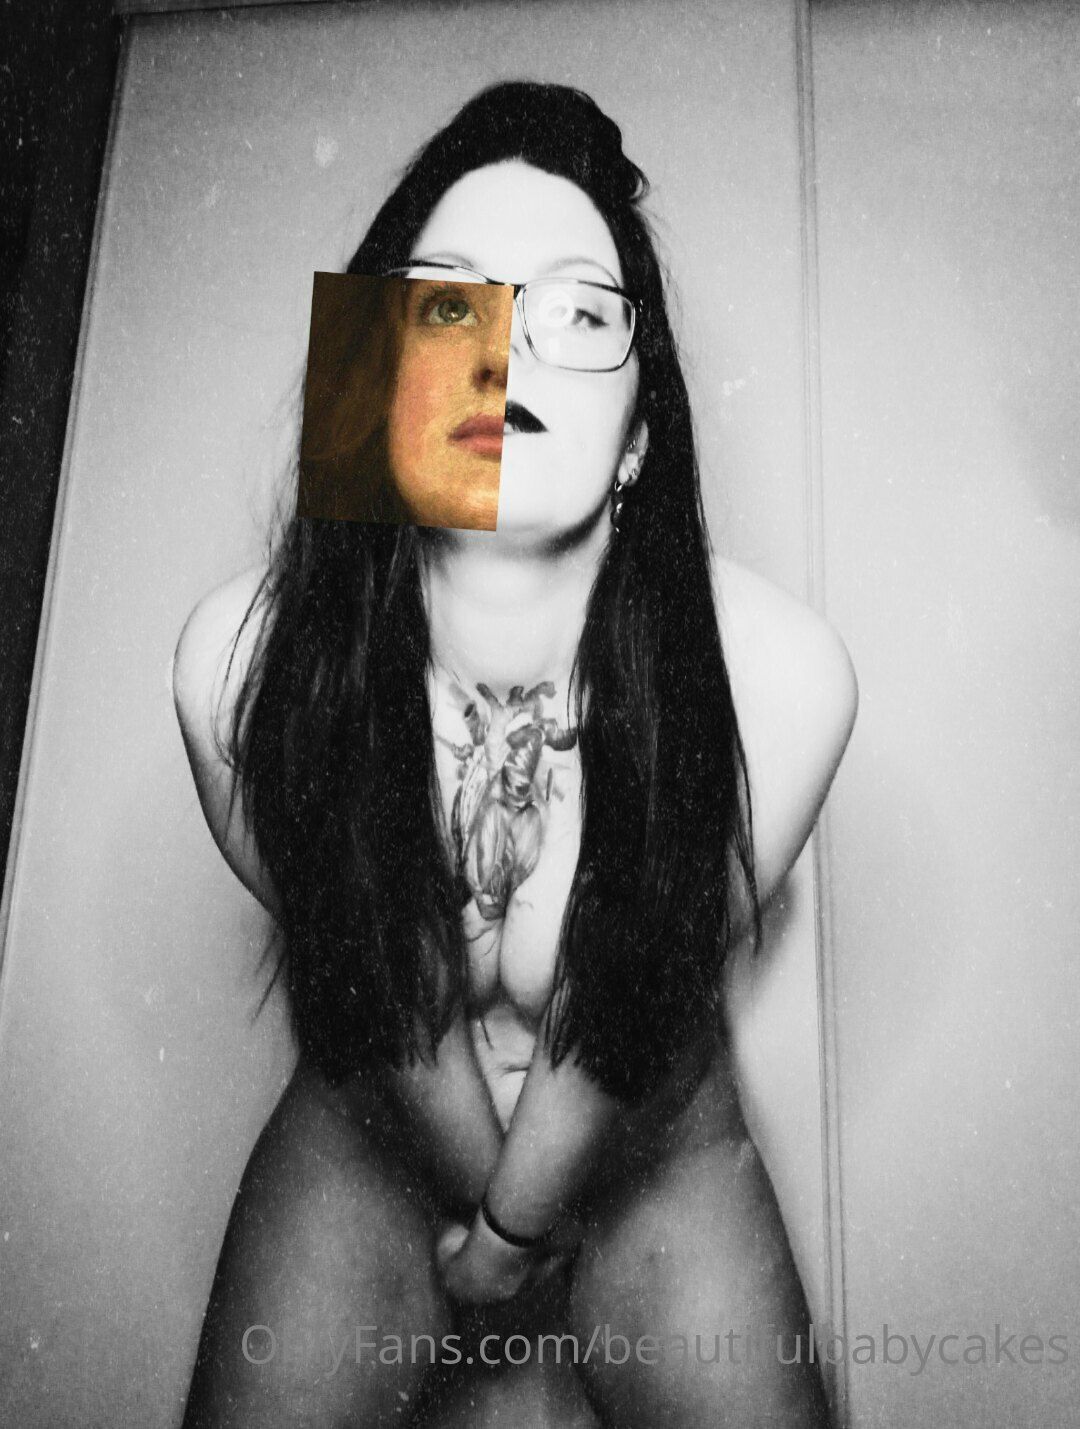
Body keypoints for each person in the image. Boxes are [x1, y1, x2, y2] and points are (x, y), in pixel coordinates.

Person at [174, 81, 857, 1428]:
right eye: (451, 303)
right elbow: (380, 987)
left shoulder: (779, 675)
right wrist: (479, 1215)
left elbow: (625, 1007)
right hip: (374, 1140)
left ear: (638, 439)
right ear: (376, 384)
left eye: (581, 313)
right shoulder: (234, 663)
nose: (507, 352)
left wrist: (506, 1235)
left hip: (657, 1156)